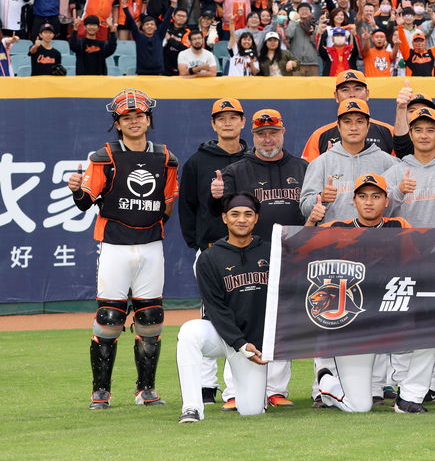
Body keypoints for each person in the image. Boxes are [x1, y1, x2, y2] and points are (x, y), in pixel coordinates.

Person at [68, 89, 179, 409]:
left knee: (152, 317)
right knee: (108, 317)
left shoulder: (166, 158)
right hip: (115, 245)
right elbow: (85, 201)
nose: (134, 122)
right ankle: (100, 391)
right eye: (126, 118)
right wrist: (77, 190)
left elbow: (168, 204)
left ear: (149, 120)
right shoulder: (103, 157)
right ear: (117, 124)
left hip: (150, 245)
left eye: (139, 116)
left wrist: (149, 224)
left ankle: (146, 390)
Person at [208, 108, 305, 408]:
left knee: (281, 322)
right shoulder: (237, 170)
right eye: (261, 133)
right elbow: (222, 215)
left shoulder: (303, 167)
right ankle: (234, 391)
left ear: (283, 132)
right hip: (247, 255)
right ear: (253, 136)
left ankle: (276, 389)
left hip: (291, 255)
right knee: (243, 320)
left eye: (273, 132)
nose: (267, 138)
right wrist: (215, 197)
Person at [381, 106, 435, 413]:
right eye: (417, 129)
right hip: (405, 259)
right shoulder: (395, 170)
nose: (423, 135)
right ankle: (404, 385)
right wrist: (397, 194)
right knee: (407, 326)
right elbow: (378, 215)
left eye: (430, 129)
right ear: (411, 133)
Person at [313, 174, 411, 413]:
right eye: (363, 196)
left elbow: (419, 260)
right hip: (347, 314)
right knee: (360, 406)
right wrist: (310, 221)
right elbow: (298, 245)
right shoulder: (336, 228)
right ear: (354, 201)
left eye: (376, 196)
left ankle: (397, 393)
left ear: (386, 201)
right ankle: (325, 383)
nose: (369, 202)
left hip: (385, 307)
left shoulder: (398, 226)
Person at [175, 194, 272, 423]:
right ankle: (192, 407)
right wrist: (239, 343)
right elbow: (215, 308)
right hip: (222, 335)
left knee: (252, 411)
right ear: (224, 218)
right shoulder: (209, 258)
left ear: (256, 218)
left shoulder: (271, 251)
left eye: (248, 214)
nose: (242, 220)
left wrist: (257, 344)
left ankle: (259, 398)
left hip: (254, 345)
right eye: (235, 214)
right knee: (189, 332)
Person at [301, 99, 399, 226]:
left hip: (376, 240)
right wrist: (321, 197)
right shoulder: (321, 162)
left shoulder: (388, 162)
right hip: (332, 240)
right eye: (347, 122)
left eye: (360, 121)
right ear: (338, 126)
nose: (353, 127)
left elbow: (397, 207)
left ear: (368, 126)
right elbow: (304, 208)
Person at [179, 98, 248, 256]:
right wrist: (197, 244)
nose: (227, 123)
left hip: (250, 248)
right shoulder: (196, 162)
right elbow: (187, 206)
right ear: (213, 124)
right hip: (210, 248)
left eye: (233, 118)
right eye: (221, 119)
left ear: (243, 122)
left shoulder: (253, 160)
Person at [302, 70, 397, 161]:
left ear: (367, 93)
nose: (352, 94)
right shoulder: (319, 136)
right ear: (336, 96)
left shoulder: (389, 132)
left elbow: (400, 171)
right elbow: (309, 172)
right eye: (345, 90)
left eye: (357, 89)